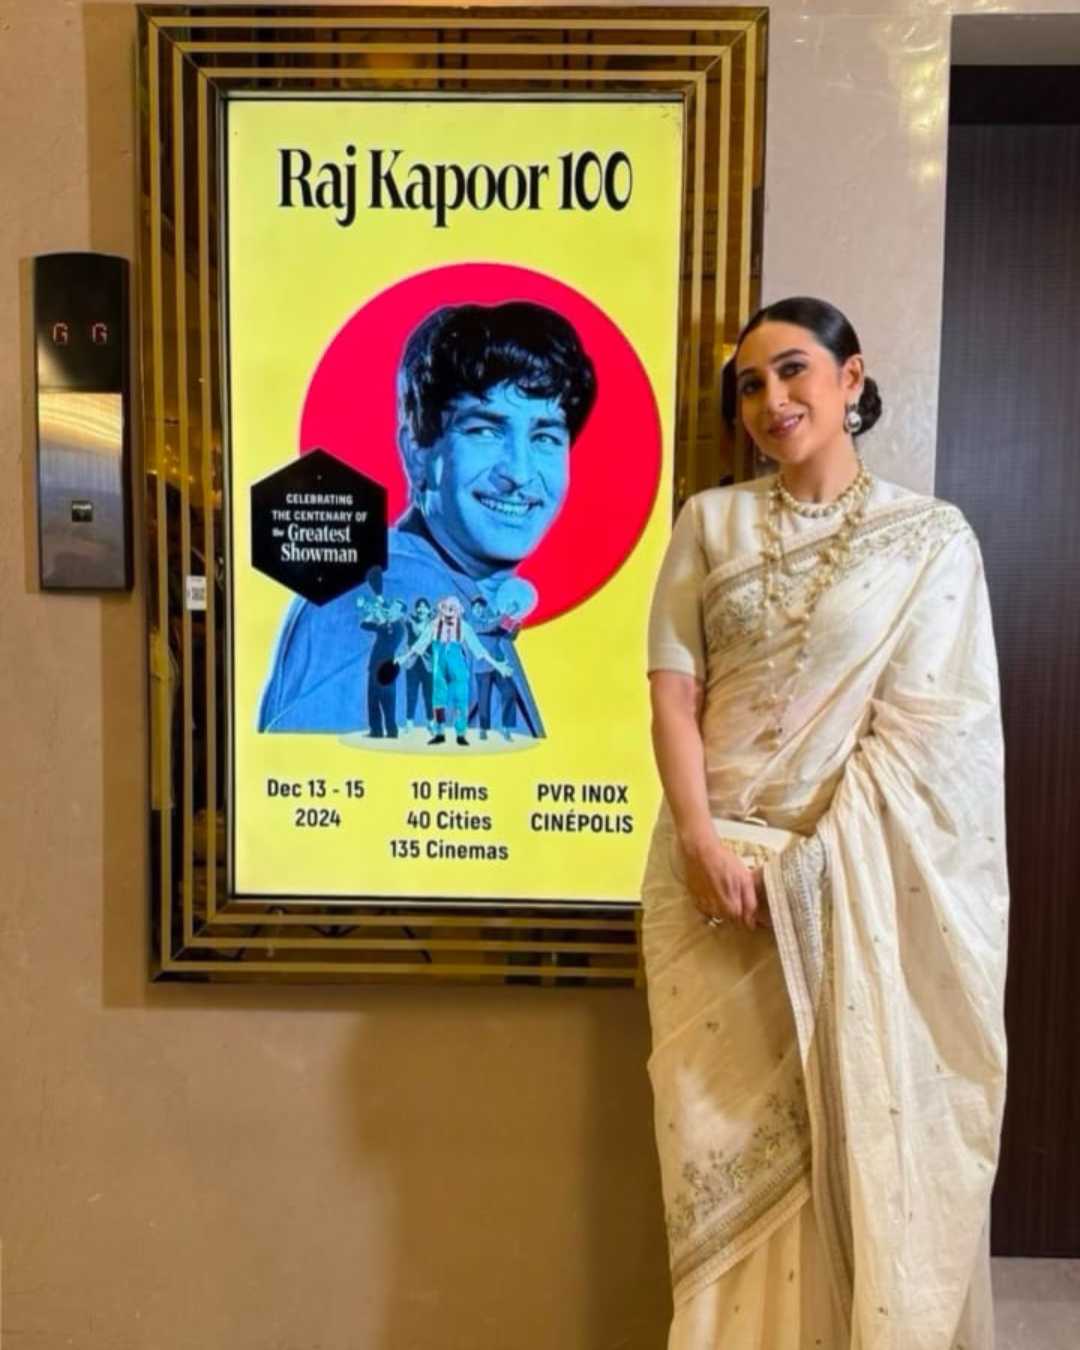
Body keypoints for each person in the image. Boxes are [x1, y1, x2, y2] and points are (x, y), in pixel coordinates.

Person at [642, 296, 1009, 1349]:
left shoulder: (930, 541)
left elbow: (939, 743)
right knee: (710, 1173)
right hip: (705, 890)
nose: (771, 400)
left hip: (850, 891)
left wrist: (811, 873)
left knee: (852, 1157)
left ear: (852, 380)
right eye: (750, 384)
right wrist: (705, 843)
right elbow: (674, 696)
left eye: (794, 372)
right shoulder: (707, 524)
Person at [257, 300, 597, 735]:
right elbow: (344, 787)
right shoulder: (395, 595)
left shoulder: (453, 591)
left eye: (545, 436)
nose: (519, 473)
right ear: (418, 451)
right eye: (484, 430)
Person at [400, 595, 512, 746]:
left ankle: (460, 734)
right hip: (439, 670)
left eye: (452, 609)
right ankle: (440, 734)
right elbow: (419, 645)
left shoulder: (464, 627)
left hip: (458, 671)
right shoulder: (433, 626)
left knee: (461, 701)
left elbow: (479, 649)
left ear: (458, 611)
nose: (448, 612)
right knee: (438, 702)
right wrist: (404, 657)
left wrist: (498, 665)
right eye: (445, 608)